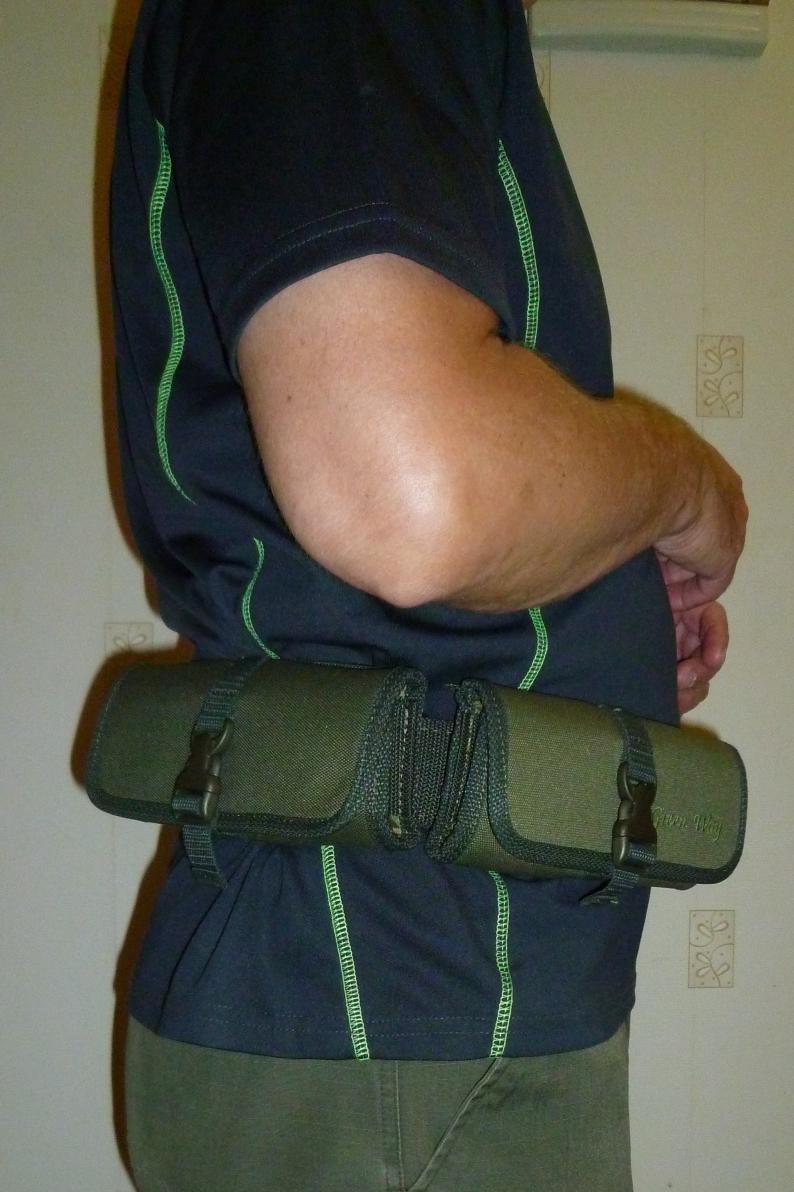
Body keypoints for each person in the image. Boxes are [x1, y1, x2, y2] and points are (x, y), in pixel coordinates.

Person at [110, 1, 746, 1189]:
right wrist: (681, 485)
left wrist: (589, 603)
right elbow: (403, 494)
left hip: (435, 1022)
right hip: (396, 1022)